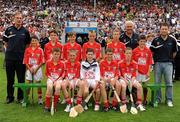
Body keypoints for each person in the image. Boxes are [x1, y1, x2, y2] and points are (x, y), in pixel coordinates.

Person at [3, 12, 31, 104]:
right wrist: (11, 50)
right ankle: (10, 97)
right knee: (10, 79)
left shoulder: (25, 31)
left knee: (21, 79)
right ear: (14, 19)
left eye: (20, 18)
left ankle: (20, 97)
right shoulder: (8, 30)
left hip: (20, 59)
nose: (19, 19)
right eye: (17, 18)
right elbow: (6, 43)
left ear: (22, 19)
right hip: (10, 59)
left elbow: (27, 45)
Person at [150, 23, 178, 107]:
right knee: (157, 82)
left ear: (168, 30)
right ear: (160, 29)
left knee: (169, 82)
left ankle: (169, 100)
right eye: (162, 29)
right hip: (157, 63)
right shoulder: (155, 40)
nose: (164, 30)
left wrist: (169, 59)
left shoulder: (172, 40)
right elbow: (151, 52)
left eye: (166, 29)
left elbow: (174, 52)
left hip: (168, 64)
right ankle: (157, 99)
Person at [118, 47, 145, 111]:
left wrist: (131, 82)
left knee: (139, 86)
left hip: (131, 79)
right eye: (127, 53)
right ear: (124, 54)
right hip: (122, 79)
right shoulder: (120, 63)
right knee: (124, 86)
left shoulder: (135, 63)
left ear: (132, 54)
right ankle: (124, 103)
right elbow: (119, 75)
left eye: (130, 53)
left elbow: (134, 75)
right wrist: (125, 81)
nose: (128, 55)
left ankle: (139, 104)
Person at [23, 35, 44, 105]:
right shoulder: (27, 50)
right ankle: (26, 98)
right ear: (30, 42)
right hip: (29, 68)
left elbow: (42, 62)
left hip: (38, 68)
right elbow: (25, 61)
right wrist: (30, 69)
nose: (34, 42)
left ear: (37, 41)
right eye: (32, 41)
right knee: (29, 83)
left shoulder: (40, 50)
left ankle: (40, 98)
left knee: (38, 83)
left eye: (35, 40)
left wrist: (36, 69)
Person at [132, 35, 153, 105]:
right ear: (138, 42)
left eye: (144, 41)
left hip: (145, 72)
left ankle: (145, 99)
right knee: (137, 86)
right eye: (141, 41)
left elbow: (150, 62)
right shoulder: (134, 50)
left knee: (144, 87)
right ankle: (137, 100)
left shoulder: (148, 50)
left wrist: (148, 72)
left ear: (145, 42)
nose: (142, 43)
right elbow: (132, 62)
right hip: (137, 72)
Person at [44, 47, 64, 112]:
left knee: (58, 87)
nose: (56, 56)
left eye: (58, 54)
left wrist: (58, 79)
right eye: (55, 54)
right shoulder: (48, 62)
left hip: (59, 79)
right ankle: (47, 106)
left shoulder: (62, 63)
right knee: (49, 86)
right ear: (52, 54)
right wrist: (51, 79)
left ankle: (54, 106)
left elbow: (63, 74)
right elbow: (46, 73)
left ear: (60, 54)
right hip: (50, 78)